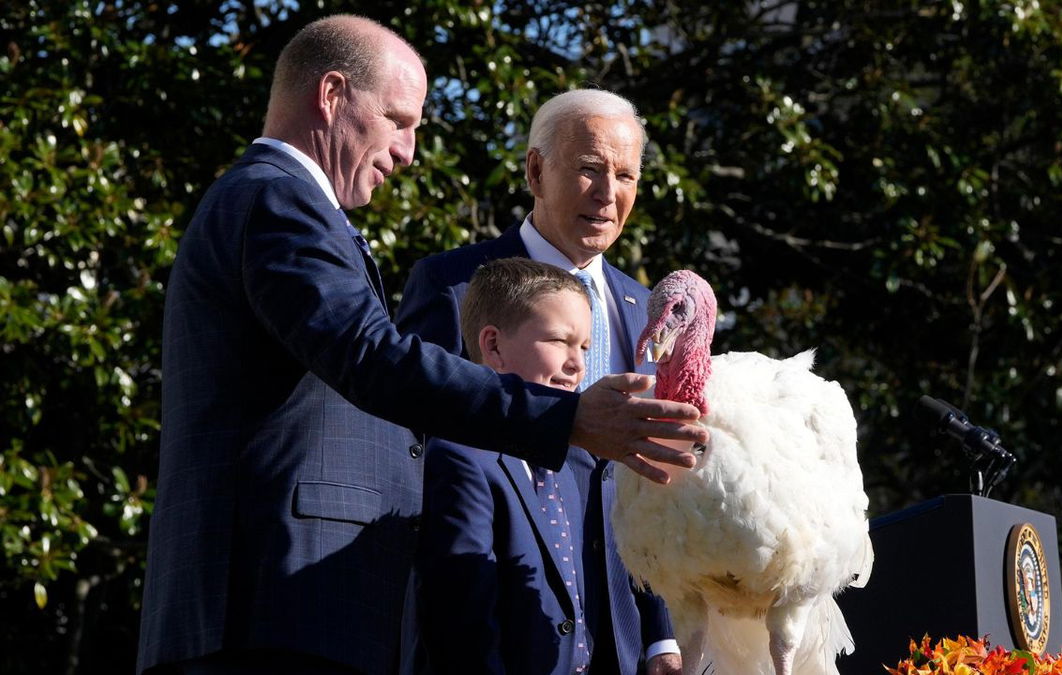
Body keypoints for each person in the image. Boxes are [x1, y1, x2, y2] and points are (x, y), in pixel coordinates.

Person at [136, 16, 705, 675]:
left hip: (292, 613)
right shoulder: (275, 200)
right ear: (331, 94)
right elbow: (374, 357)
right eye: (397, 120)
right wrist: (568, 415)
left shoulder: (280, 203)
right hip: (272, 611)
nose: (407, 151)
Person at [393, 89, 683, 675]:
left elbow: (651, 483)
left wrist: (661, 637)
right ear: (535, 170)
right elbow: (417, 455)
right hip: (499, 628)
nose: (608, 194)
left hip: (625, 638)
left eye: (625, 175)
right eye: (588, 170)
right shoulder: (453, 287)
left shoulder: (647, 309)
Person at [418, 258, 599, 674]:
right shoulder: (460, 458)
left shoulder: (570, 465)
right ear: (494, 346)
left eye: (584, 347)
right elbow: (463, 623)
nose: (577, 364)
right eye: (558, 341)